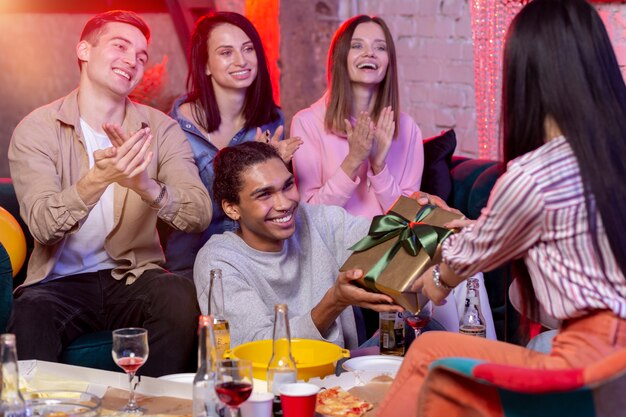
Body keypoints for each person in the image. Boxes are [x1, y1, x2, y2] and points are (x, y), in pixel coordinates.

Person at [377, 1, 626, 415]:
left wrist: (436, 277)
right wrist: (472, 227)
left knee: (429, 355)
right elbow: (538, 230)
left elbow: (461, 260)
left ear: (524, 76)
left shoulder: (533, 174)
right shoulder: (610, 156)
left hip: (586, 362)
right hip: (616, 366)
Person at [8, 10, 212, 377]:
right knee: (30, 310)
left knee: (178, 296)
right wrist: (98, 179)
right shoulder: (37, 129)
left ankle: (154, 406)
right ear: (84, 50)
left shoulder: (161, 129)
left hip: (132, 276)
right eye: (120, 46)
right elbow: (42, 227)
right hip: (58, 283)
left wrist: (145, 186)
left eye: (141, 55)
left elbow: (199, 212)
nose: (132, 60)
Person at [193, 141, 403, 349]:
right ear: (232, 208)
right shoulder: (218, 261)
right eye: (264, 194)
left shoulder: (315, 218)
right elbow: (259, 347)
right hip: (272, 379)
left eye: (288, 186)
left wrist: (415, 218)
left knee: (424, 328)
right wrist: (334, 302)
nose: (284, 204)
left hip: (344, 373)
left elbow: (383, 240)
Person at [164, 11, 302, 277]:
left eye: (248, 49)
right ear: (205, 65)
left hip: (252, 262)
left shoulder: (272, 121)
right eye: (226, 52)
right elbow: (178, 210)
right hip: (188, 264)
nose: (241, 60)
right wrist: (250, 175)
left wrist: (272, 171)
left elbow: (277, 206)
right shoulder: (175, 127)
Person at [291, 15, 423, 218]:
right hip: (333, 246)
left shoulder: (408, 128)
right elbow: (309, 217)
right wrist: (353, 160)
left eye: (380, 47)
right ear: (340, 56)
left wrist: (379, 167)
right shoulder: (307, 122)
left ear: (389, 62)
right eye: (357, 46)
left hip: (388, 246)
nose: (369, 53)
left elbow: (410, 219)